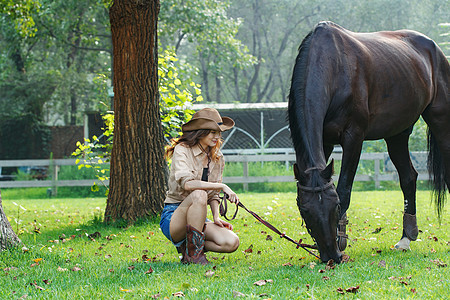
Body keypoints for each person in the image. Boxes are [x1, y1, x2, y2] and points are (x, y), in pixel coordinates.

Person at [160, 108, 240, 265]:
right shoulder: (182, 150)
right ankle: (194, 258)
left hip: (199, 216)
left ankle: (189, 248)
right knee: (199, 193)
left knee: (231, 242)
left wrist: (216, 217)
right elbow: (188, 184)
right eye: (212, 132)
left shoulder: (218, 158)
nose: (217, 137)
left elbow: (214, 194)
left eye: (219, 132)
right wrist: (223, 186)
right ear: (200, 132)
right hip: (174, 216)